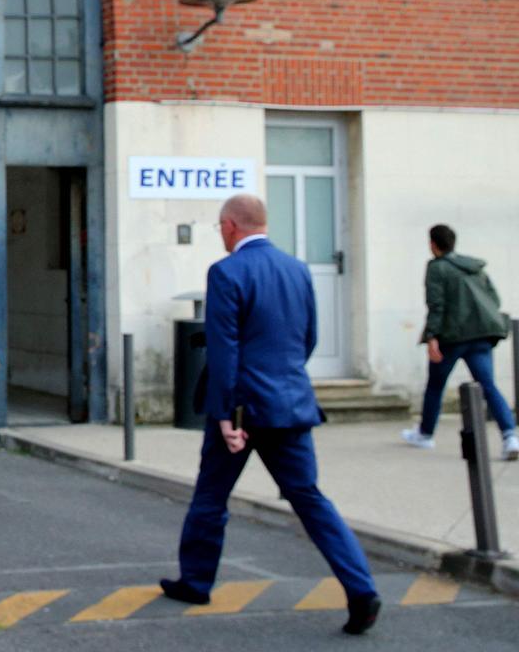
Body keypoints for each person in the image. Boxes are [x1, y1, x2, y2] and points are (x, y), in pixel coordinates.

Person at [159, 195, 380, 635]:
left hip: (241, 408)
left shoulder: (226, 272)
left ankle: (197, 581)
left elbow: (225, 350)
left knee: (210, 497)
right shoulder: (297, 270)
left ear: (229, 226)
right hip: (291, 404)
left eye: (220, 228)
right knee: (311, 500)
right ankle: (361, 588)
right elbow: (309, 337)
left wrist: (225, 414)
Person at [401, 224, 518, 459]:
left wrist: (432, 336)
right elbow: (493, 298)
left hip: (452, 337)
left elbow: (436, 304)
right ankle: (510, 436)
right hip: (481, 335)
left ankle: (425, 434)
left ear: (433, 244)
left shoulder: (437, 268)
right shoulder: (475, 267)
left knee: (435, 385)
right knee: (488, 385)